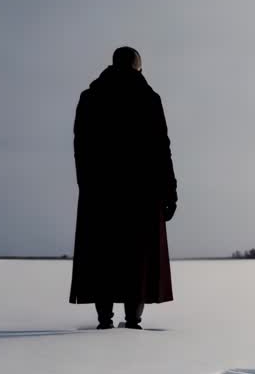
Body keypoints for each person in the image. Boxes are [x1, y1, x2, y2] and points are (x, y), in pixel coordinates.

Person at [69, 46, 177, 329]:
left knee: (102, 254)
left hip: (100, 191)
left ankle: (105, 319)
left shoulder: (91, 97)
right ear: (138, 67)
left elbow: (80, 146)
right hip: (141, 193)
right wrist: (169, 191)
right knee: (136, 258)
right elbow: (161, 149)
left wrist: (86, 183)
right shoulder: (149, 99)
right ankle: (133, 321)